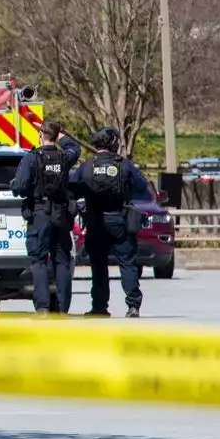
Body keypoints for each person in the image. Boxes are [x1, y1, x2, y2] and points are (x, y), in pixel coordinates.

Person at [68, 126, 150, 318]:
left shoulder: (87, 166)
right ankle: (133, 306)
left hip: (96, 222)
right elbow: (142, 186)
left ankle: (99, 307)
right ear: (113, 143)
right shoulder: (124, 164)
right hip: (120, 220)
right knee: (127, 264)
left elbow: (72, 190)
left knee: (98, 267)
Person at [10, 120, 82, 315]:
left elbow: (19, 186)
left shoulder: (32, 158)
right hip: (60, 214)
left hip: (40, 213)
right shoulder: (64, 157)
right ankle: (63, 308)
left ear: (41, 135)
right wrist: (61, 135)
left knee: (38, 260)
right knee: (62, 260)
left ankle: (42, 306)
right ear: (56, 136)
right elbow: (75, 148)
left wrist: (15, 185)